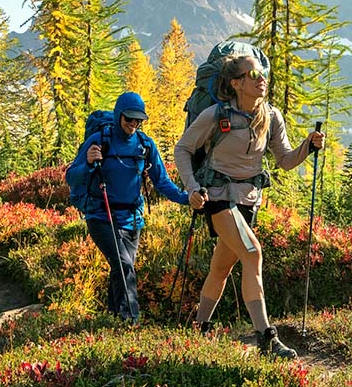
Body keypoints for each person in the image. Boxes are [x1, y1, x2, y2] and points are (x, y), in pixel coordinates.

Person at [174, 54, 324, 359]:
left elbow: (284, 160)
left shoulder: (271, 117)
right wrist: (192, 188)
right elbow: (183, 149)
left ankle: (199, 327)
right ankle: (267, 338)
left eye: (261, 74)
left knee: (221, 268)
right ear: (236, 83)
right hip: (216, 197)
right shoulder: (215, 116)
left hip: (248, 201)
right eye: (252, 74)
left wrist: (308, 145)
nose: (261, 79)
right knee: (253, 253)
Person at [66, 91, 190, 325]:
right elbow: (71, 177)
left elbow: (161, 181)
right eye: (129, 118)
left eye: (138, 120)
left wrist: (186, 198)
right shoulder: (99, 140)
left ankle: (111, 320)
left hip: (132, 218)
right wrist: (89, 163)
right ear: (118, 115)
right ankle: (131, 319)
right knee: (124, 265)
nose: (133, 124)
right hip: (101, 215)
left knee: (122, 268)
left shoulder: (145, 145)